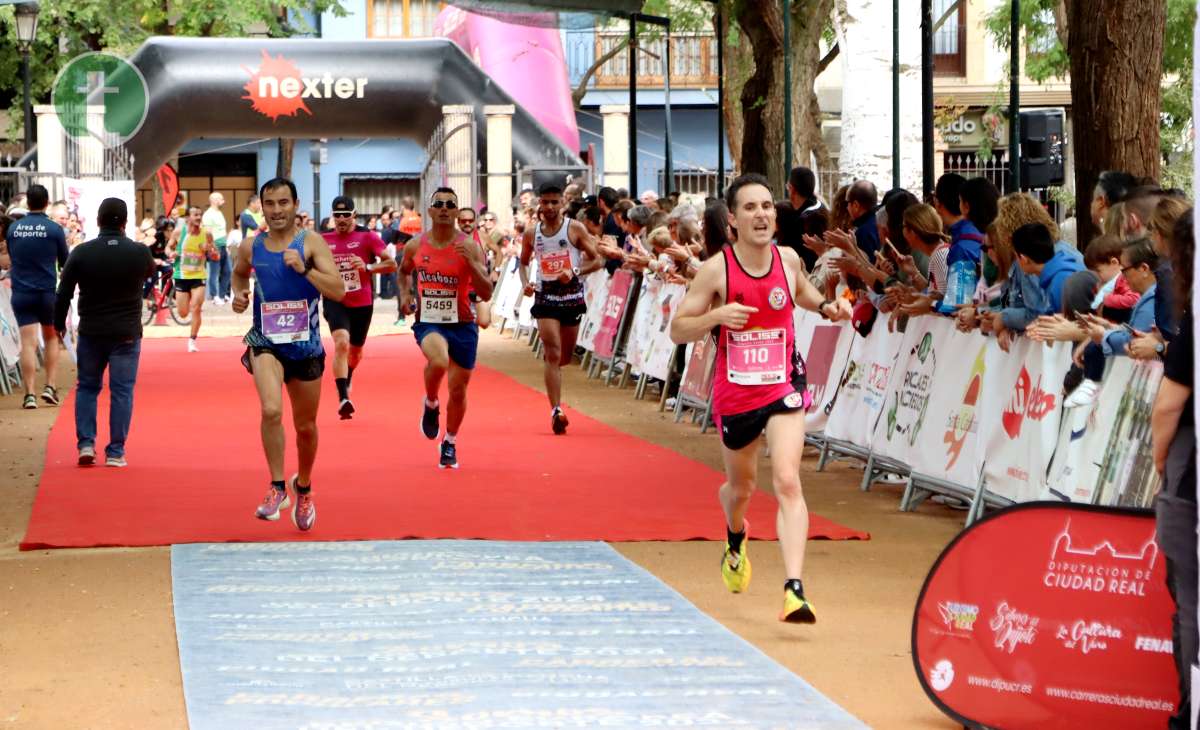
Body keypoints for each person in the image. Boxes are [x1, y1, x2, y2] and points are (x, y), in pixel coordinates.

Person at [670, 173, 852, 624]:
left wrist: (831, 307)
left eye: (767, 206)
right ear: (732, 219)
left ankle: (794, 589)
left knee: (788, 480)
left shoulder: (788, 260)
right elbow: (678, 328)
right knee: (742, 489)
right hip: (736, 393)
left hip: (783, 383)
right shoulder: (717, 269)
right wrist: (716, 314)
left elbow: (807, 296)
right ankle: (735, 536)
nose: (762, 214)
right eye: (750, 208)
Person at [231, 177, 345, 531]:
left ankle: (304, 486)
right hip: (265, 340)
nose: (277, 210)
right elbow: (238, 275)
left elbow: (338, 290)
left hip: (305, 345)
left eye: (283, 203)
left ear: (296, 205)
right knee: (270, 409)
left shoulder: (310, 242)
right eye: (270, 203)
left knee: (305, 427)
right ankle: (278, 486)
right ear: (261, 207)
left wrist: (306, 269)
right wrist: (239, 296)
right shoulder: (253, 246)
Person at [53, 198, 155, 467]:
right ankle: (116, 451)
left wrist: (59, 321)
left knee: (87, 387)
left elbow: (63, 291)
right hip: (126, 332)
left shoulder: (81, 252)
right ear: (124, 222)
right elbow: (150, 274)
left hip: (91, 331)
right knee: (122, 391)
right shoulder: (140, 252)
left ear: (98, 221)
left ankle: (86, 444)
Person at [399, 187, 493, 469]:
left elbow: (486, 292)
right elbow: (403, 272)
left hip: (462, 323)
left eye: (449, 205)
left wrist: (473, 264)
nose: (443, 208)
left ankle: (449, 441)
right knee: (438, 360)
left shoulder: (470, 245)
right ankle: (430, 403)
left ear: (455, 211)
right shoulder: (415, 245)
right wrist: (405, 296)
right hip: (428, 321)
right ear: (429, 210)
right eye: (438, 204)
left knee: (458, 391)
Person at [1151, 208, 1196, 730]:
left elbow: (1168, 405)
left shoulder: (1193, 322)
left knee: (1188, 597)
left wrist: (1162, 461)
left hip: (1190, 475)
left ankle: (1189, 710)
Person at [518, 183, 601, 434]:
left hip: (571, 297)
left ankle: (556, 377)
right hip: (545, 297)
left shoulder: (574, 228)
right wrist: (526, 285)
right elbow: (522, 263)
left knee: (564, 356)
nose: (550, 207)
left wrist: (574, 271)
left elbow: (597, 259)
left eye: (555, 202)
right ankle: (556, 410)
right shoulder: (532, 233)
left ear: (562, 204)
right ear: (539, 204)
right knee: (551, 351)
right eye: (546, 202)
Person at [321, 195, 396, 419]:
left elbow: (391, 264)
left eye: (346, 215)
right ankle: (343, 397)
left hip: (362, 302)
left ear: (354, 215)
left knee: (355, 351)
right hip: (335, 299)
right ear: (332, 216)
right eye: (337, 215)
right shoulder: (323, 238)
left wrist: (367, 266)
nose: (342, 219)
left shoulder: (367, 237)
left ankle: (349, 373)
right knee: (341, 342)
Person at [1064, 238, 1159, 408]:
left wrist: (1103, 335)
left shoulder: (1153, 298)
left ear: (1144, 269)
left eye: (1125, 270)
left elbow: (1134, 341)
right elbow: (1134, 332)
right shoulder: (1149, 297)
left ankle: (1091, 383)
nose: (1122, 277)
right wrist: (1108, 327)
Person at [2, 184, 69, 409]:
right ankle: (49, 387)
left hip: (21, 293)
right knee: (51, 339)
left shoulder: (14, 229)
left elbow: (12, 255)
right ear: (47, 202)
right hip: (47, 293)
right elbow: (65, 261)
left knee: (28, 344)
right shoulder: (54, 229)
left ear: (27, 203)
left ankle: (29, 394)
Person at [167, 206, 215, 352]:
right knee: (183, 313)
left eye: (200, 214)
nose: (198, 217)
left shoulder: (206, 233)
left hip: (198, 275)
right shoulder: (178, 233)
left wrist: (209, 249)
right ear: (188, 218)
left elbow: (214, 253)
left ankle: (192, 341)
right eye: (195, 214)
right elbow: (168, 248)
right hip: (181, 276)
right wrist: (172, 253)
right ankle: (184, 307)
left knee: (196, 307)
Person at [1011, 222, 1084, 315]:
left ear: (1024, 259)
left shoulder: (1060, 282)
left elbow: (1071, 324)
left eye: (1016, 257)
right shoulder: (1059, 270)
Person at [455, 206, 494, 330]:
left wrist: (495, 270)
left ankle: (472, 325)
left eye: (470, 220)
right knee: (460, 322)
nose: (467, 223)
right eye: (463, 221)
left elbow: (498, 252)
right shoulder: (451, 239)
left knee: (484, 322)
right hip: (458, 288)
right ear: (458, 221)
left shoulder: (482, 237)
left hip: (478, 286)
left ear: (475, 221)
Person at [202, 192, 230, 304]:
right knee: (214, 272)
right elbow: (207, 232)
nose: (223, 200)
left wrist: (226, 245)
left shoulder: (219, 213)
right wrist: (212, 246)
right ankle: (215, 296)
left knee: (228, 271)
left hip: (223, 245)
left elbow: (222, 230)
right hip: (215, 245)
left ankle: (222, 295)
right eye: (221, 199)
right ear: (214, 200)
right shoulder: (208, 214)